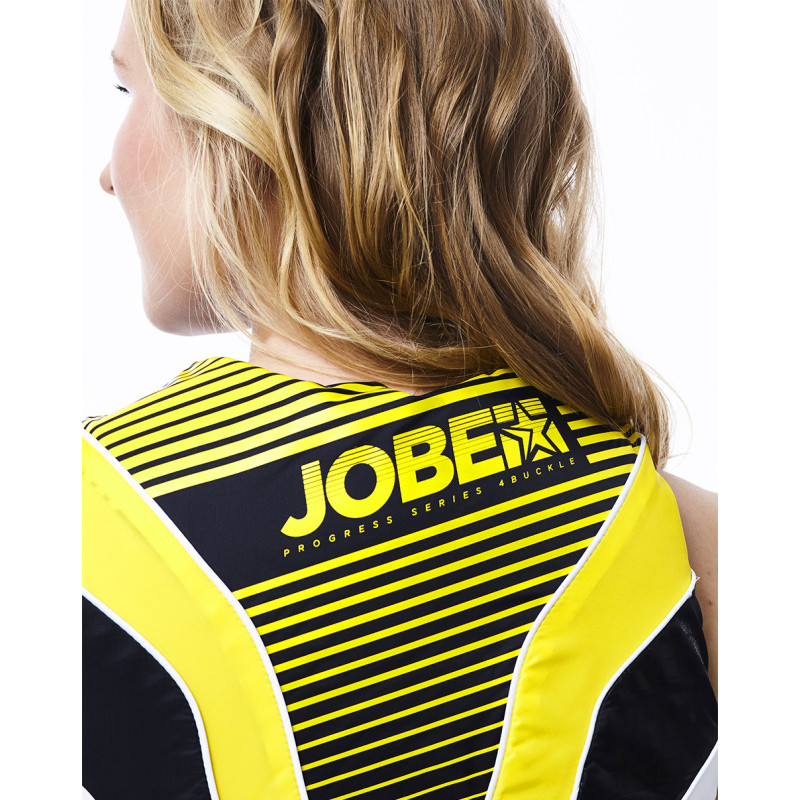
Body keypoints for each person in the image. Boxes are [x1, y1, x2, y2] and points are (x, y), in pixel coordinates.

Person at [82, 1, 718, 798]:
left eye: (129, 91)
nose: (108, 173)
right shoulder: (692, 544)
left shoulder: (88, 530)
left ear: (251, 114)